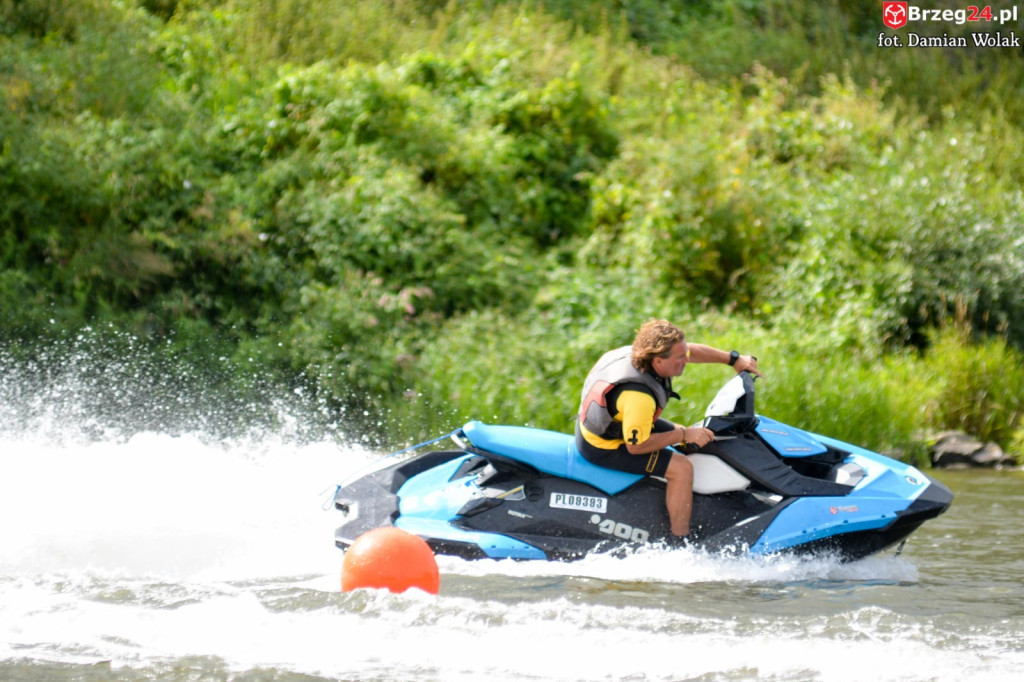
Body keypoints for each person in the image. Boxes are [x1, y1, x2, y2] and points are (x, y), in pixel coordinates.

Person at [575, 319, 761, 542]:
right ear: (658, 361)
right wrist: (682, 435)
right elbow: (637, 447)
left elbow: (694, 351)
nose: (686, 360)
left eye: (685, 354)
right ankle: (680, 541)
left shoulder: (643, 356)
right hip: (604, 445)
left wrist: (734, 359)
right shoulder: (638, 397)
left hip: (620, 421)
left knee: (692, 437)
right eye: (680, 358)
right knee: (681, 468)